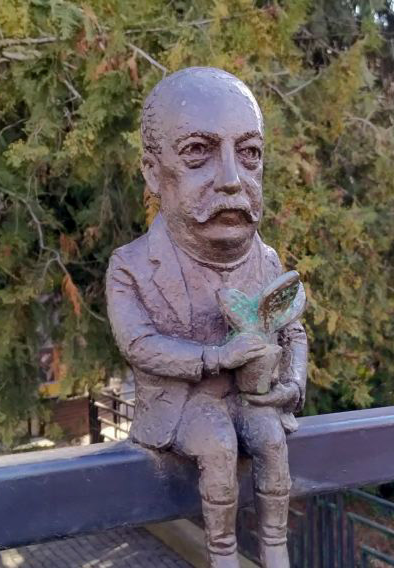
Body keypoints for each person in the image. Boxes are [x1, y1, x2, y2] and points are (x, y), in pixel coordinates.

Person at [106, 67, 308, 568]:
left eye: (250, 153)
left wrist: (292, 384)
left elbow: (293, 329)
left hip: (253, 403)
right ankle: (223, 555)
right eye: (198, 151)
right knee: (216, 444)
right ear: (153, 171)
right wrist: (216, 358)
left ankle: (275, 547)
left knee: (270, 439)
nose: (233, 180)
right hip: (180, 410)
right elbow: (139, 345)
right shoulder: (131, 267)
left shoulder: (267, 260)